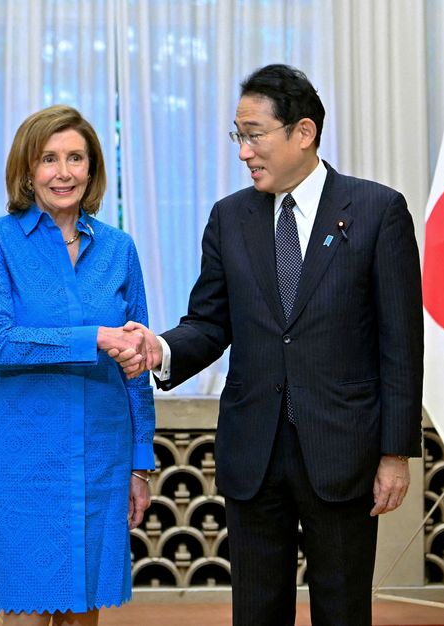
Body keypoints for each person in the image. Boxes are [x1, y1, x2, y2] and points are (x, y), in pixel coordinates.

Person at [114, 64, 423, 626]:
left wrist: (394, 453)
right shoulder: (230, 218)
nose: (243, 151)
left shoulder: (378, 211)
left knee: (343, 610)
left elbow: (401, 345)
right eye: (239, 135)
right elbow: (209, 323)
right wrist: (160, 347)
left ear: (302, 133)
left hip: (343, 450)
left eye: (254, 134)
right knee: (256, 613)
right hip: (253, 449)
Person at [0, 104, 155, 626]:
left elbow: (136, 361)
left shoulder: (120, 249)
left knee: (83, 615)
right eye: (49, 159)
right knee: (26, 613)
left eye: (76, 158)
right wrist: (93, 336)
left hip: (102, 458)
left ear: (92, 169)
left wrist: (140, 464)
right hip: (22, 463)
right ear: (28, 170)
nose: (64, 172)